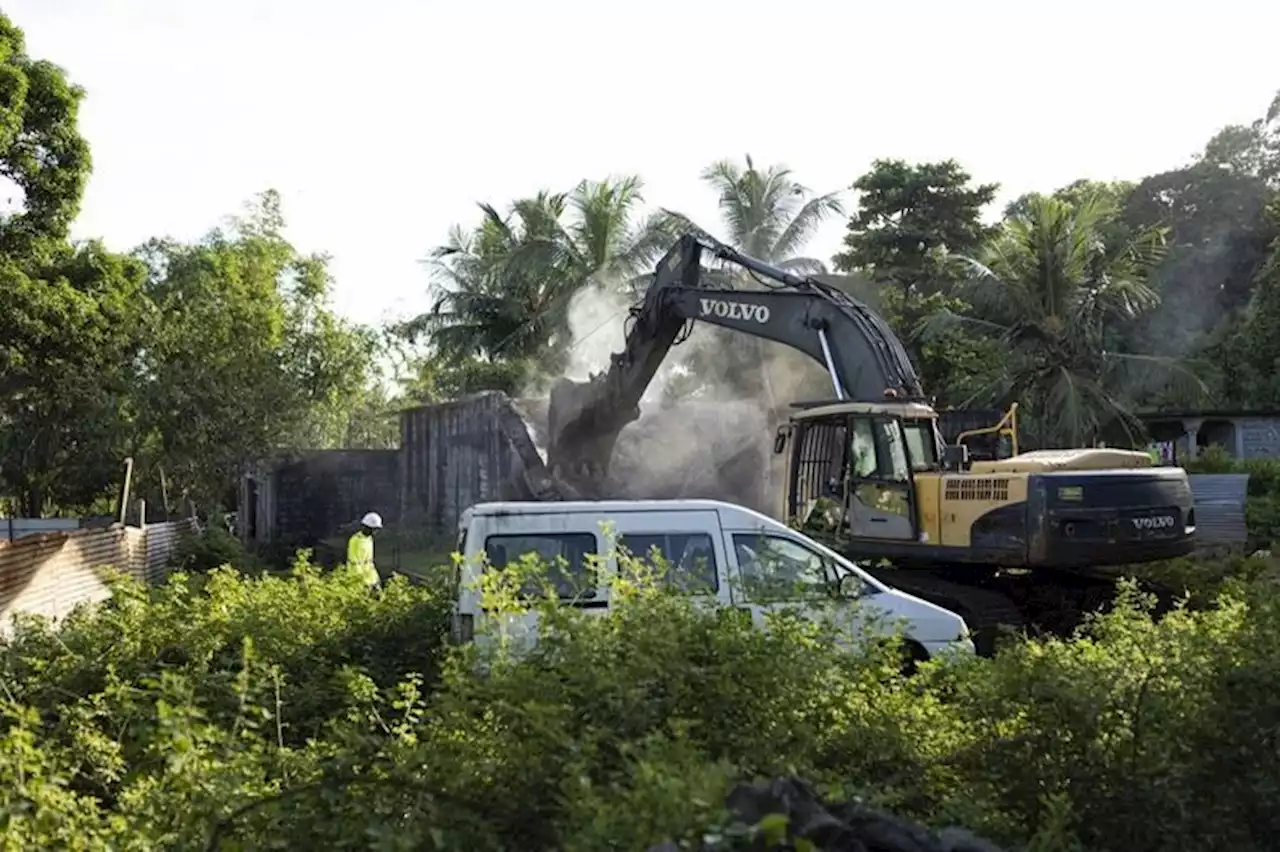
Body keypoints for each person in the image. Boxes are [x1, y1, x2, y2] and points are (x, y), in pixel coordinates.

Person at [347, 511, 383, 588]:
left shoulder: (369, 539)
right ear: (368, 527)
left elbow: (369, 561)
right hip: (357, 579)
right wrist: (362, 580)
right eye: (374, 529)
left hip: (369, 576)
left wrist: (375, 577)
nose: (376, 532)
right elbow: (354, 563)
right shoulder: (355, 540)